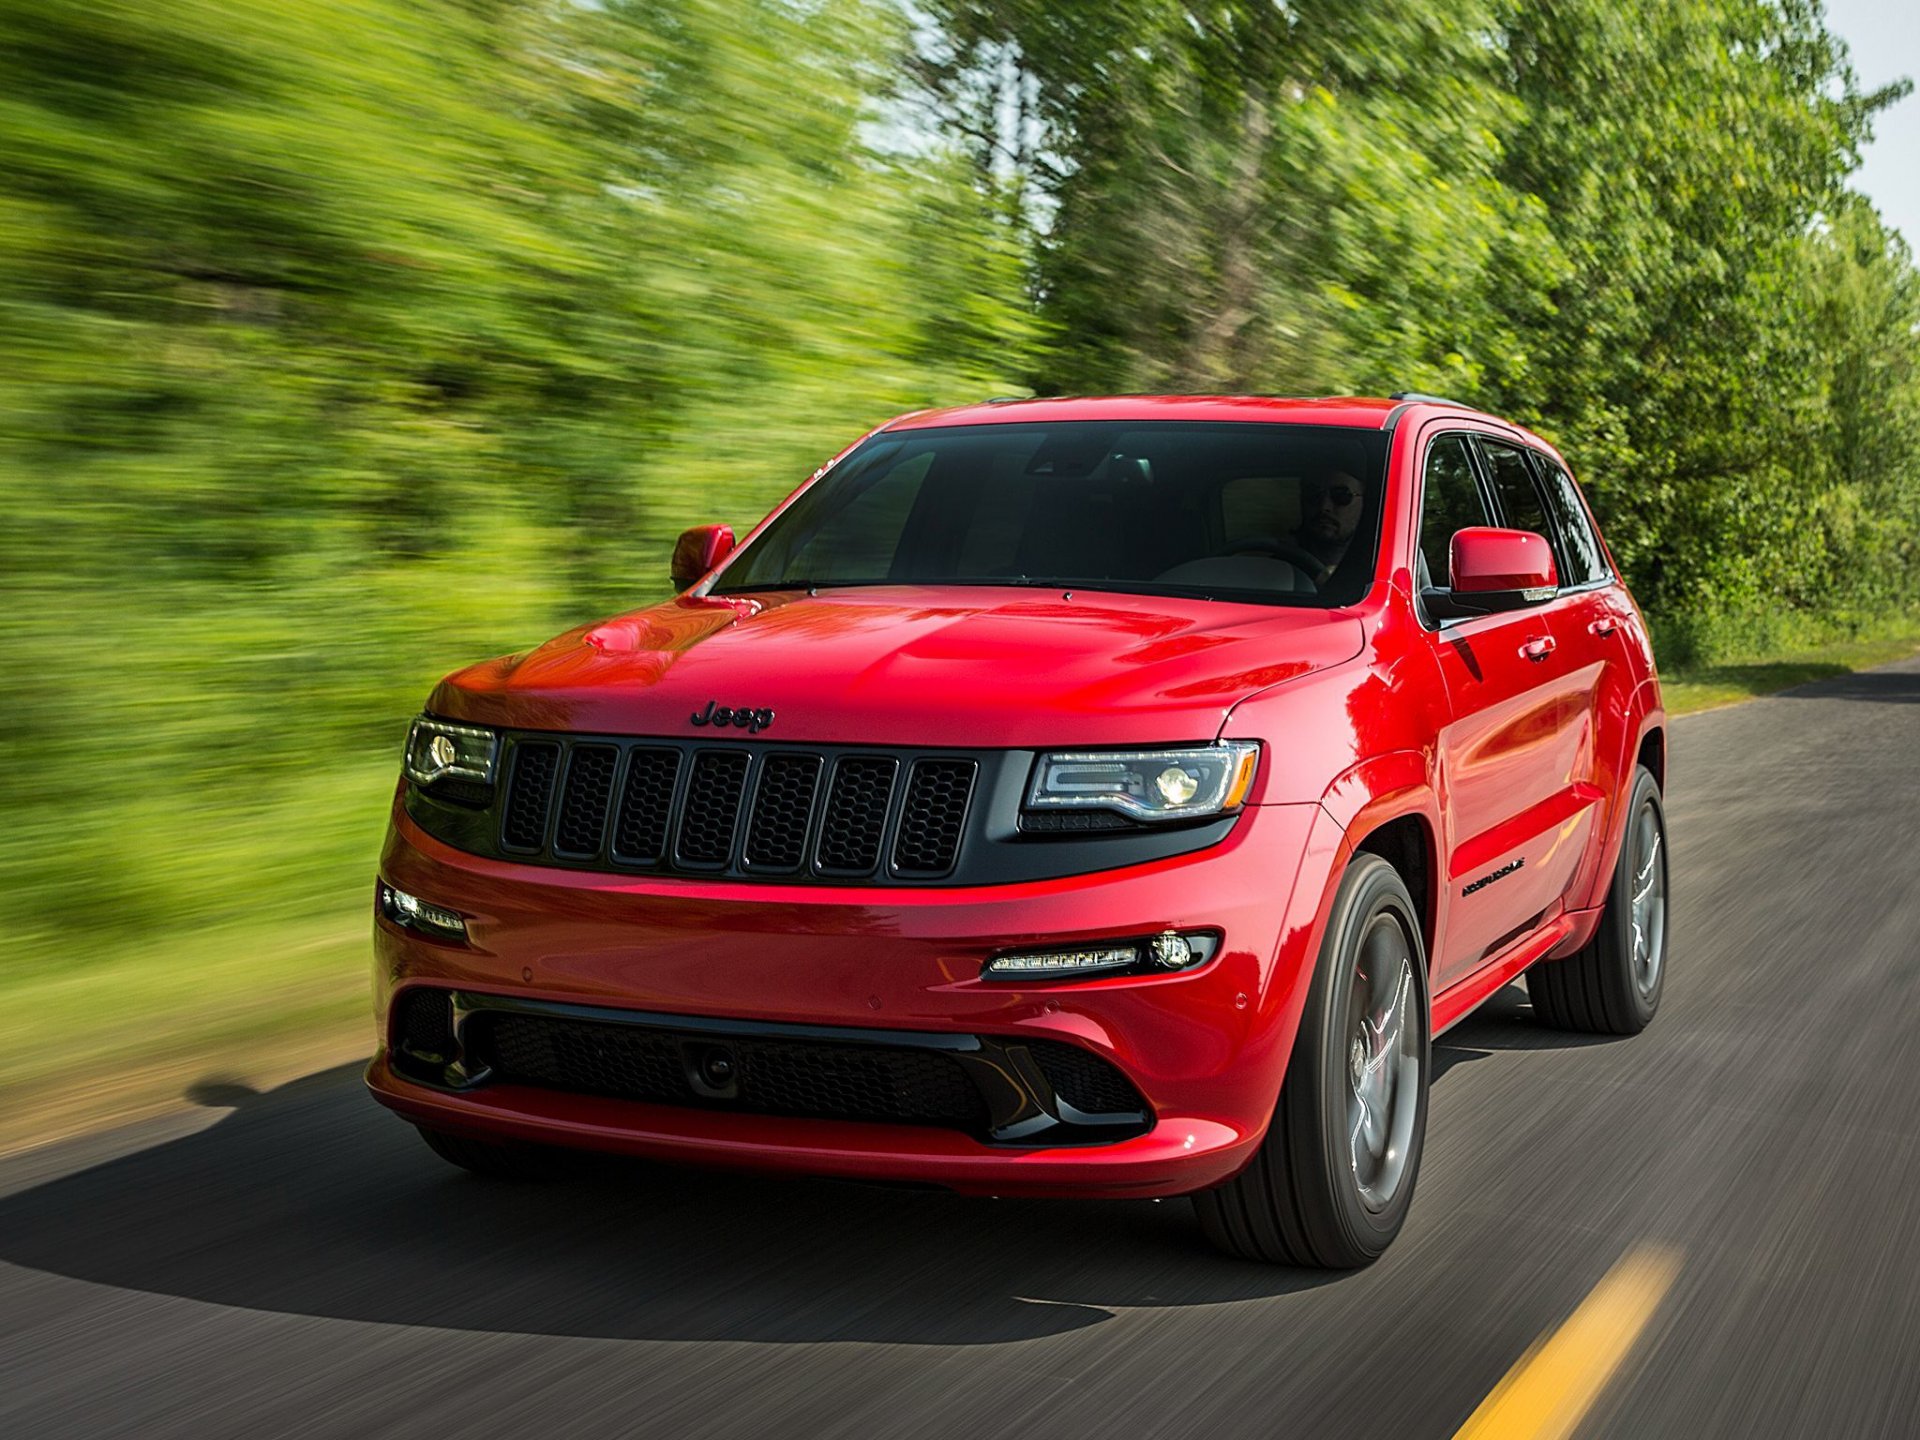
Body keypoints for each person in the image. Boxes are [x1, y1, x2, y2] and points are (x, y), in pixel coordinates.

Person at [1294, 466, 1365, 584]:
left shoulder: (1379, 569)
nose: (1324, 507)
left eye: (1341, 496)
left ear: (1364, 503)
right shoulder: (1281, 566)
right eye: (1313, 494)